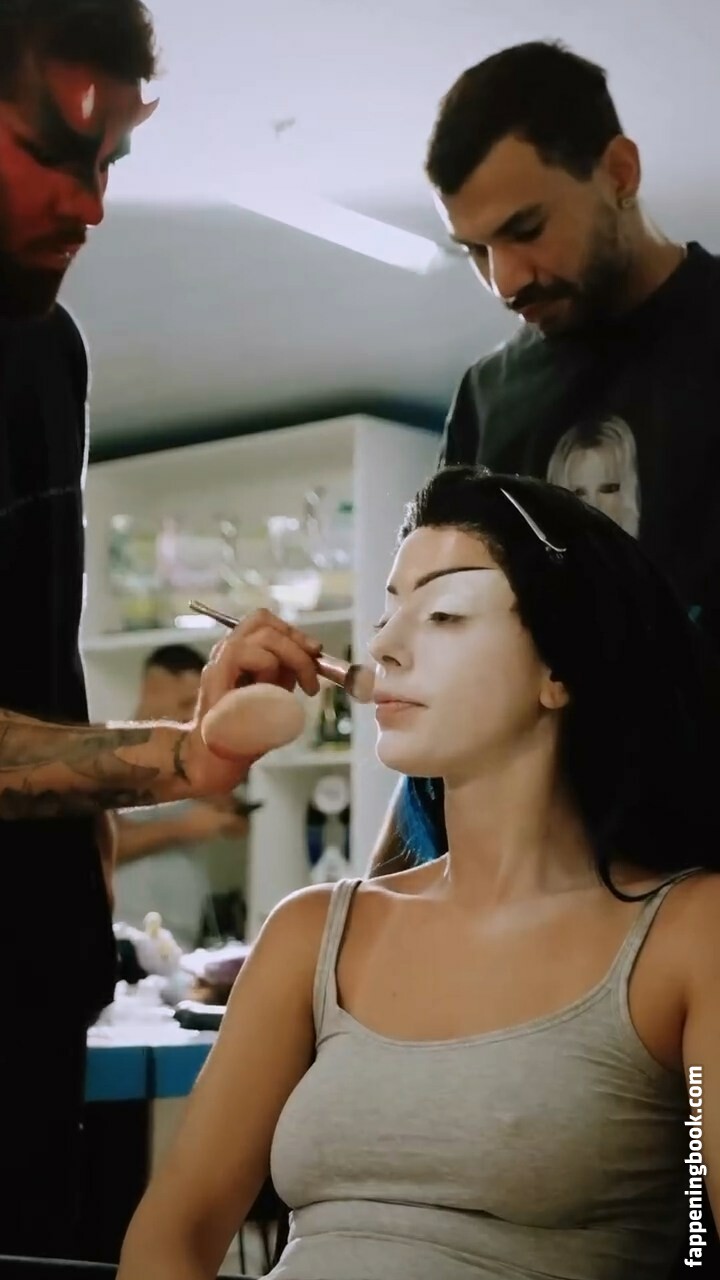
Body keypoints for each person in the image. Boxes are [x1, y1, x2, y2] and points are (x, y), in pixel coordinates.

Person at [116, 467, 720, 1280]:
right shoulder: (311, 933)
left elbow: (700, 1240)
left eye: (443, 614)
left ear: (561, 669)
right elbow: (175, 1235)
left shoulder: (690, 935)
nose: (384, 647)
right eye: (386, 614)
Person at [0, 7, 323, 1254]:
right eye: (52, 152)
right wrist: (178, 758)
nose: (90, 206)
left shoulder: (47, 353)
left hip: (37, 990)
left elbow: (39, 676)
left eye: (111, 161)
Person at [371, 38, 720, 877]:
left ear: (620, 173)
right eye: (475, 250)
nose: (505, 281)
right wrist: (372, 899)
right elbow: (447, 674)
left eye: (525, 231)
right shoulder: (489, 398)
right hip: (539, 886)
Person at [114, 646, 250, 949]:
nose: (192, 715)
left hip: (179, 936)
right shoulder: (106, 757)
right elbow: (104, 846)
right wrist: (183, 829)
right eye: (187, 703)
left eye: (199, 706)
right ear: (151, 688)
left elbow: (238, 823)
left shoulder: (189, 758)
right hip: (121, 929)